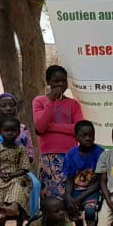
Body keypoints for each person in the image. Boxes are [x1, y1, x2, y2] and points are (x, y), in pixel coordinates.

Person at [33, 65, 83, 200]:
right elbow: (41, 126)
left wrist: (52, 127)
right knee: (51, 198)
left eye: (63, 81)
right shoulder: (39, 101)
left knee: (69, 193)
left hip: (70, 155)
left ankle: (74, 220)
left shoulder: (73, 104)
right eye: (56, 81)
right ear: (48, 82)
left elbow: (79, 130)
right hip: (48, 156)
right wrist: (50, 102)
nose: (60, 84)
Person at [63, 120, 103, 226]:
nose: (88, 138)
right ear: (76, 137)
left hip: (91, 192)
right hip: (75, 191)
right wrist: (68, 196)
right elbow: (69, 179)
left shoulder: (99, 153)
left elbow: (98, 183)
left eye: (90, 135)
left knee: (90, 212)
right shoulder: (70, 154)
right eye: (83, 135)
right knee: (68, 209)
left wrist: (79, 198)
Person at [0, 117, 35, 226]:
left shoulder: (21, 149)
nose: (10, 133)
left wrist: (12, 175)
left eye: (13, 130)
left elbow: (24, 168)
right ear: (0, 132)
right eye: (6, 130)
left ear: (18, 132)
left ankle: (14, 206)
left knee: (18, 185)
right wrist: (1, 175)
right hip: (0, 175)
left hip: (17, 174)